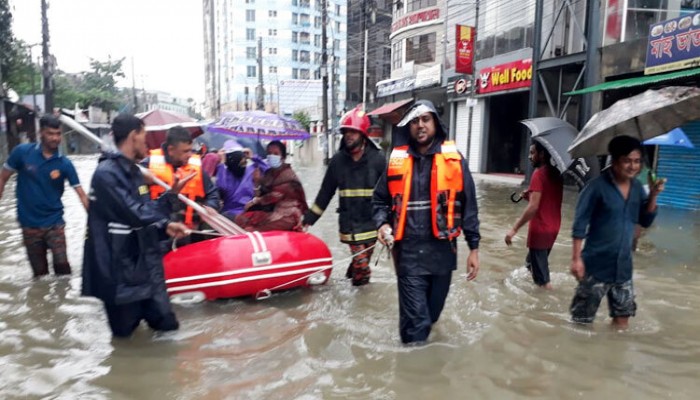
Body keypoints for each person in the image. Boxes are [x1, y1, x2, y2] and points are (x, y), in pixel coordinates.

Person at [372, 100, 481, 345]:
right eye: (414, 121)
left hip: (442, 254)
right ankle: (414, 375)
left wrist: (474, 248)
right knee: (416, 326)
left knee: (431, 315)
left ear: (435, 123)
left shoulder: (455, 161)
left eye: (425, 119)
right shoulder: (396, 161)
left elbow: (470, 206)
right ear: (408, 127)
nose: (420, 125)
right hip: (408, 255)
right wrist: (382, 224)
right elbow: (379, 200)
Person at [82, 114, 191, 338]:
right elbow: (134, 212)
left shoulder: (134, 173)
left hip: (147, 267)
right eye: (144, 136)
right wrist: (166, 223)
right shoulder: (106, 175)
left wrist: (171, 196)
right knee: (124, 339)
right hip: (121, 275)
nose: (148, 143)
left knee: (169, 328)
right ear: (133, 136)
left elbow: (146, 208)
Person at [569, 135, 665, 329]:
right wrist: (576, 259)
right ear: (614, 160)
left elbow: (645, 220)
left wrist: (653, 195)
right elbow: (580, 224)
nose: (633, 166)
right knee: (582, 322)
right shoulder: (596, 187)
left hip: (623, 268)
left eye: (637, 161)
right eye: (627, 160)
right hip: (595, 266)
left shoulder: (638, 188)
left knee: (623, 320)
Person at [302, 106, 387, 286]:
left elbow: (389, 193)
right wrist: (307, 220)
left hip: (372, 225)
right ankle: (361, 305)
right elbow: (325, 194)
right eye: (346, 132)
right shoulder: (337, 162)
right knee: (363, 267)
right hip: (350, 225)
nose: (349, 135)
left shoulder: (378, 160)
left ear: (363, 135)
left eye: (353, 132)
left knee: (360, 262)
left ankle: (351, 278)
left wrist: (390, 223)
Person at [0, 114, 89, 278]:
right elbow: (3, 178)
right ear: (41, 133)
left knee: (63, 271)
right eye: (50, 134)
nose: (55, 138)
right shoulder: (22, 153)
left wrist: (95, 220)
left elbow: (81, 194)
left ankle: (63, 301)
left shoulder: (65, 164)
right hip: (29, 225)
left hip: (55, 223)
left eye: (58, 134)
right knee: (40, 276)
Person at [505, 141, 563, 289]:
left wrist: (514, 229)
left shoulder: (538, 174)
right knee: (530, 266)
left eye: (532, 153)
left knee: (543, 282)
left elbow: (533, 207)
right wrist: (530, 196)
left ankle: (546, 307)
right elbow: (548, 200)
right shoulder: (556, 173)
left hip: (540, 230)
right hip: (553, 229)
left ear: (542, 154)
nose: (530, 157)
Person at [142, 126, 220, 233]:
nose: (189, 155)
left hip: (189, 233)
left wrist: (211, 206)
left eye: (190, 150)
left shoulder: (195, 167)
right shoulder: (147, 167)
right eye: (185, 151)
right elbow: (139, 204)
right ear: (171, 150)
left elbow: (213, 193)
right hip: (159, 232)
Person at [235, 141, 308, 231]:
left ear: (283, 157)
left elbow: (272, 197)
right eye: (269, 153)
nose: (272, 156)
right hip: (270, 211)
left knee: (249, 230)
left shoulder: (288, 176)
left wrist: (254, 202)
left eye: (276, 153)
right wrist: (256, 182)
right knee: (240, 219)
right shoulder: (269, 173)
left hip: (287, 215)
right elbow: (260, 194)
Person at [215, 141, 267, 220]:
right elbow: (221, 187)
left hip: (249, 214)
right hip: (229, 217)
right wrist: (222, 163)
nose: (243, 166)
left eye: (244, 163)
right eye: (241, 163)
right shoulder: (225, 174)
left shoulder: (250, 171)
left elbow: (269, 171)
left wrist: (254, 157)